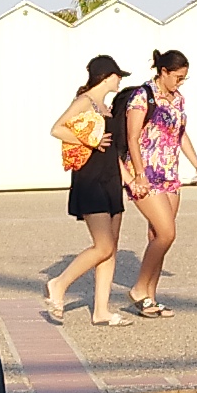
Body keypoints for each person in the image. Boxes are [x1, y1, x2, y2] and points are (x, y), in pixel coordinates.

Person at [41, 57, 129, 327]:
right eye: (118, 76)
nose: (119, 81)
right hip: (91, 179)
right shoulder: (85, 101)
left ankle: (101, 311)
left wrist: (128, 179)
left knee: (111, 248)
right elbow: (57, 129)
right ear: (106, 76)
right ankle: (58, 284)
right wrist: (89, 139)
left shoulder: (107, 107)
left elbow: (113, 150)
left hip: (111, 179)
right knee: (103, 245)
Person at [129, 50, 197, 314]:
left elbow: (180, 134)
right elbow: (132, 137)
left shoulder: (178, 99)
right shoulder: (143, 96)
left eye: (184, 78)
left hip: (170, 174)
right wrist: (139, 174)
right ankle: (139, 288)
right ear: (164, 72)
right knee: (167, 233)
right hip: (146, 174)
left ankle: (150, 296)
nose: (180, 82)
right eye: (177, 77)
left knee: (156, 236)